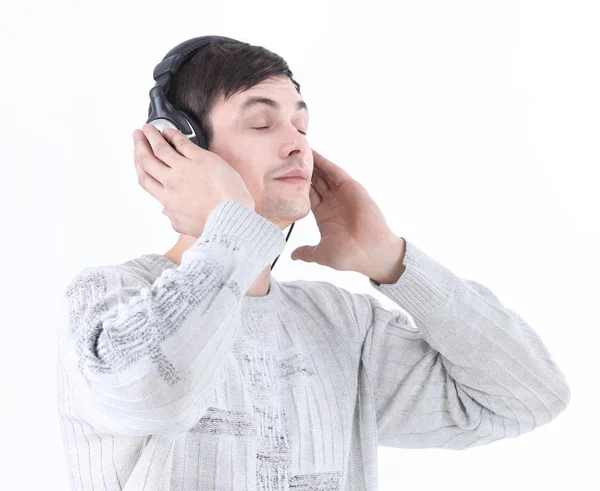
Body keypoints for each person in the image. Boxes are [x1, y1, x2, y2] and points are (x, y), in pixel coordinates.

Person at [56, 37, 571, 491]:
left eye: (301, 125)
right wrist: (230, 227)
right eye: (261, 122)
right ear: (182, 147)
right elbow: (153, 393)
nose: (297, 143)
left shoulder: (341, 327)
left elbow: (526, 398)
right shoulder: (109, 297)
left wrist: (394, 261)